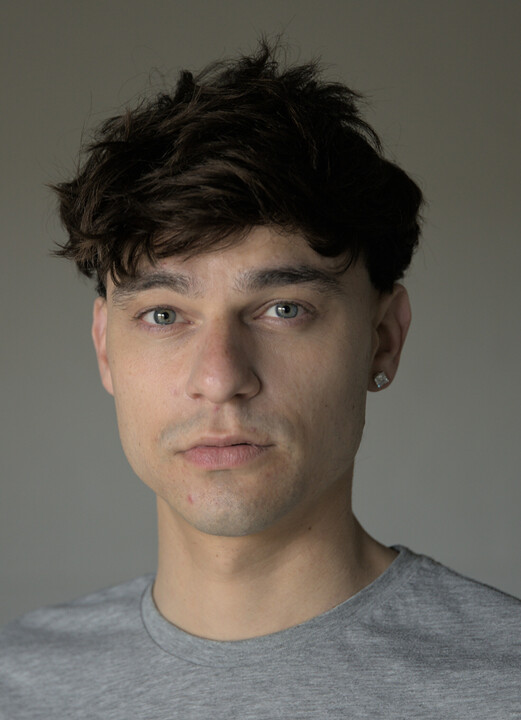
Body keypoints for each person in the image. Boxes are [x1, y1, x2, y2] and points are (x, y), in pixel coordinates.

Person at [1, 42, 519, 719]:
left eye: (283, 310)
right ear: (105, 347)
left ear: (383, 338)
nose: (220, 378)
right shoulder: (16, 687)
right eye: (164, 315)